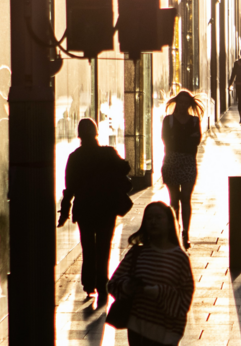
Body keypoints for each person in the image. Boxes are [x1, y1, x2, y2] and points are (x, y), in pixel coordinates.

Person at [59, 118, 131, 303]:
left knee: (88, 247)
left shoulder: (75, 157)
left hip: (85, 208)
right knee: (104, 246)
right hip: (106, 207)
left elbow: (70, 187)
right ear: (96, 132)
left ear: (80, 135)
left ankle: (89, 284)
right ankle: (102, 282)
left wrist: (65, 211)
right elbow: (125, 168)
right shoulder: (107, 153)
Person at [107, 202, 194, 346]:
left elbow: (185, 297)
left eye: (158, 218)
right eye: (149, 218)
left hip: (166, 332)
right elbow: (114, 283)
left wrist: (159, 292)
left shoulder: (180, 258)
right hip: (138, 330)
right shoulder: (137, 252)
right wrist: (127, 286)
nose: (153, 222)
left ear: (169, 222)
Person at [161, 90, 203, 249]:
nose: (183, 105)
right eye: (181, 102)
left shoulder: (194, 121)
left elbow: (196, 140)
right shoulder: (168, 120)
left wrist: (177, 138)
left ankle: (185, 232)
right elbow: (166, 139)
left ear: (190, 104)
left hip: (188, 161)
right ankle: (174, 230)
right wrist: (185, 139)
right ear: (177, 103)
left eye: (186, 102)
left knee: (185, 197)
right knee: (173, 199)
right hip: (171, 160)